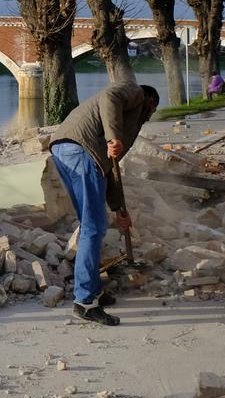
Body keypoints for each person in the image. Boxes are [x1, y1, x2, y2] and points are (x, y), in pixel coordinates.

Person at [49, 81, 160, 326]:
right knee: (93, 228)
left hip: (65, 150)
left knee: (91, 224)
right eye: (151, 112)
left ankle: (94, 290)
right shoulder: (136, 93)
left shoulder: (110, 127)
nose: (148, 117)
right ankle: (85, 302)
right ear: (150, 101)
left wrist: (119, 209)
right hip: (81, 151)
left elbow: (107, 169)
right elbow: (110, 96)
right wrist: (114, 138)